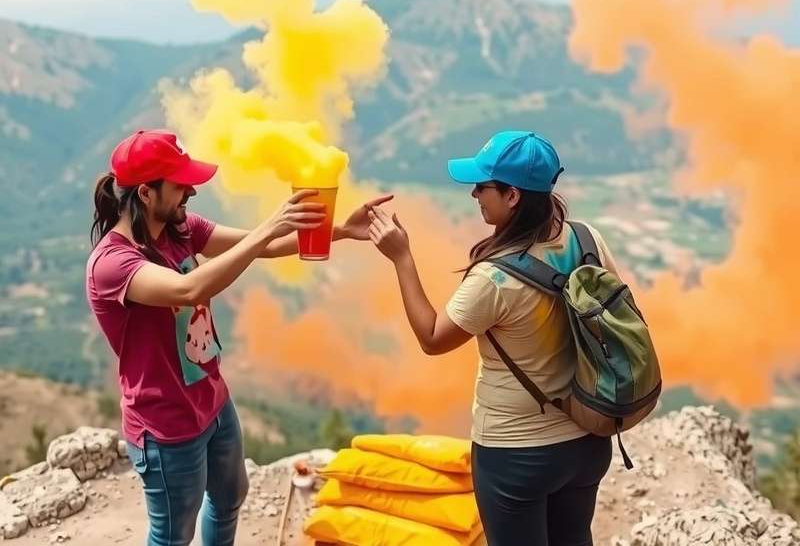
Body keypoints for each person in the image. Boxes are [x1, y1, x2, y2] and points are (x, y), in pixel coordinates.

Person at [85, 129, 391, 546]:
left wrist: (339, 230)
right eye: (179, 185)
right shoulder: (113, 263)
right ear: (145, 193)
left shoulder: (180, 229)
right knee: (173, 533)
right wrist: (266, 229)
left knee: (230, 497)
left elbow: (256, 246)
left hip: (212, 401)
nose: (190, 191)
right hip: (166, 424)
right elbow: (187, 289)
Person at [367, 130, 620, 546]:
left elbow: (433, 338)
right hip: (588, 440)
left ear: (513, 196)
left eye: (482, 186)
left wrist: (401, 257)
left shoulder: (495, 277)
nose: (474, 195)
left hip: (517, 453)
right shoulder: (587, 240)